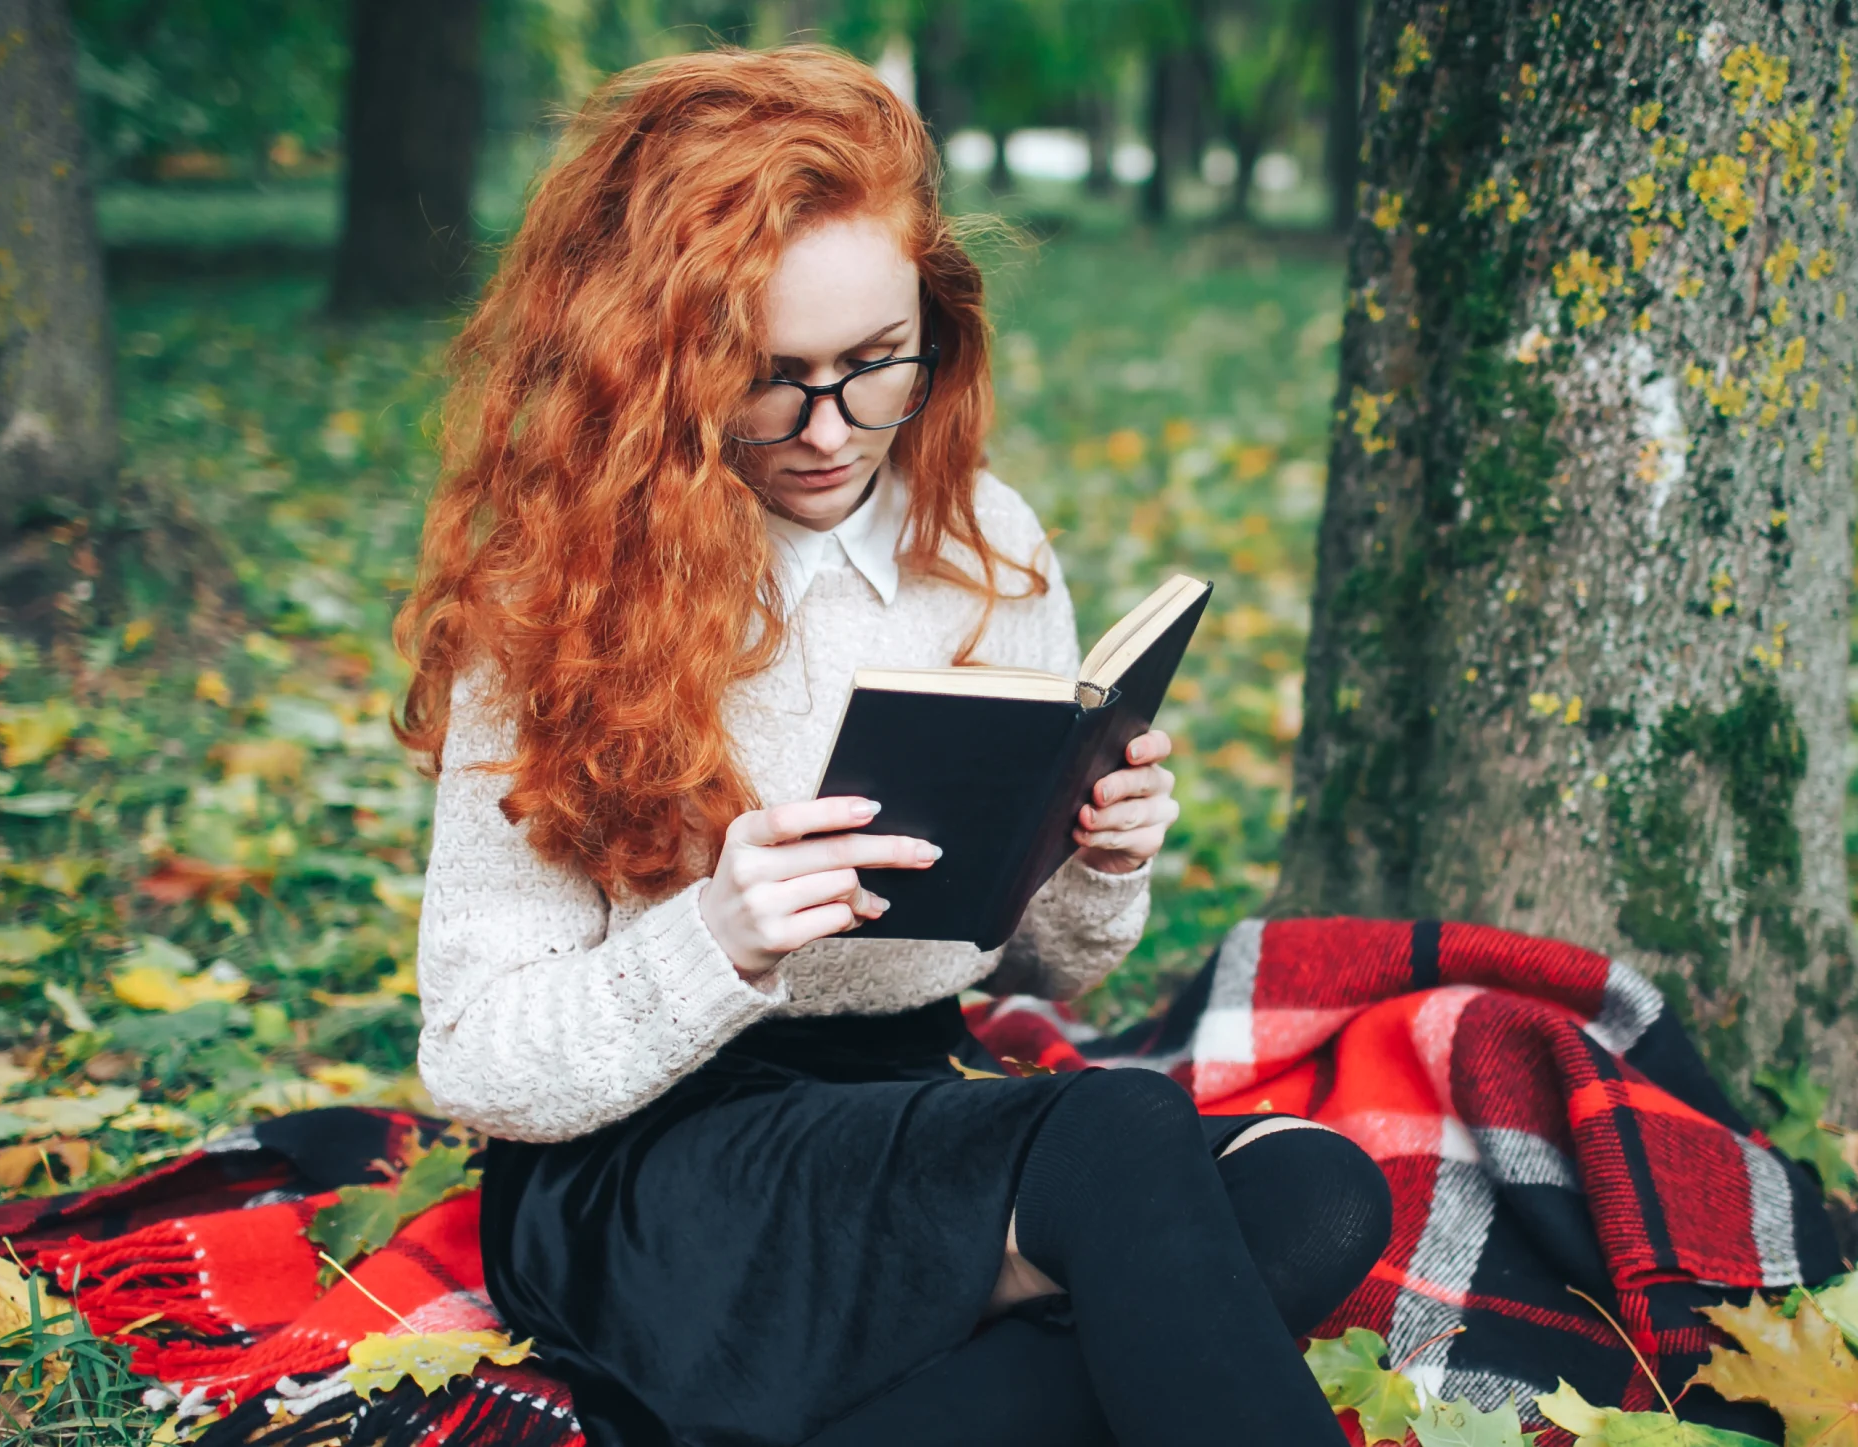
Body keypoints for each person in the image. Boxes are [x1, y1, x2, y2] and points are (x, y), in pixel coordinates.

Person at [395, 45, 1392, 1447]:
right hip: (648, 1164)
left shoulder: (988, 543)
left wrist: (1097, 857)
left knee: (1319, 1193)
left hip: (909, 1109)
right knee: (1115, 1141)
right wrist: (720, 936)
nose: (831, 431)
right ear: (658, 363)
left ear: (937, 325)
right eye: (771, 379)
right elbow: (482, 1060)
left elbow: (1047, 965)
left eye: (876, 368)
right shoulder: (552, 598)